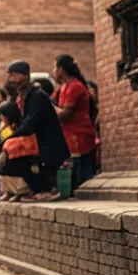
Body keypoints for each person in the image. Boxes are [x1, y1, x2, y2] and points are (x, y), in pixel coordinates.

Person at [3, 60, 70, 202]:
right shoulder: (22, 98)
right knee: (4, 162)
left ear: (26, 76)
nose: (12, 81)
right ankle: (35, 189)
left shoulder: (37, 96)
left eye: (15, 76)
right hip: (36, 146)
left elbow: (28, 126)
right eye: (10, 77)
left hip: (48, 147)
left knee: (12, 161)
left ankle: (48, 189)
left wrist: (2, 146)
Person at [51, 55, 98, 191]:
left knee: (80, 172)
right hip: (67, 134)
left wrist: (50, 106)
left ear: (61, 69)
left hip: (79, 134)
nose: (53, 71)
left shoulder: (75, 87)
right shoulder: (61, 88)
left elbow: (65, 115)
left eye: (55, 67)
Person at [0, 100, 32, 202]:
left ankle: (19, 191)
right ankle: (8, 191)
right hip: (8, 154)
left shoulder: (21, 127)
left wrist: (5, 150)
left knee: (8, 164)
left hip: (23, 157)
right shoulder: (6, 128)